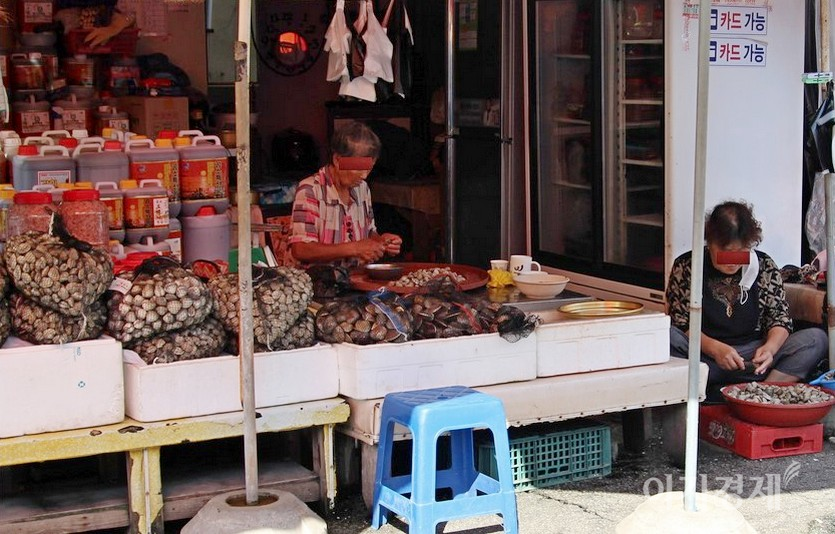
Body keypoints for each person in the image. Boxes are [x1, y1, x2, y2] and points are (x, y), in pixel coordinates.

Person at [666, 200, 827, 395]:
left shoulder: (764, 264)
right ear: (710, 244)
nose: (733, 262)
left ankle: (761, 393)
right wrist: (715, 349)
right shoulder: (687, 265)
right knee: (667, 335)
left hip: (752, 357)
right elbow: (681, 323)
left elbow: (779, 318)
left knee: (815, 339)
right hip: (703, 357)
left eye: (741, 252)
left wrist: (770, 348)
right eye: (725, 253)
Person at [288, 121, 402, 268]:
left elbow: (369, 234)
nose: (364, 176)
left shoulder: (362, 188)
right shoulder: (310, 189)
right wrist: (354, 248)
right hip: (317, 283)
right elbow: (300, 249)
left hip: (355, 279)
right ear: (337, 159)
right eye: (359, 168)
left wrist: (381, 242)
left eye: (368, 169)